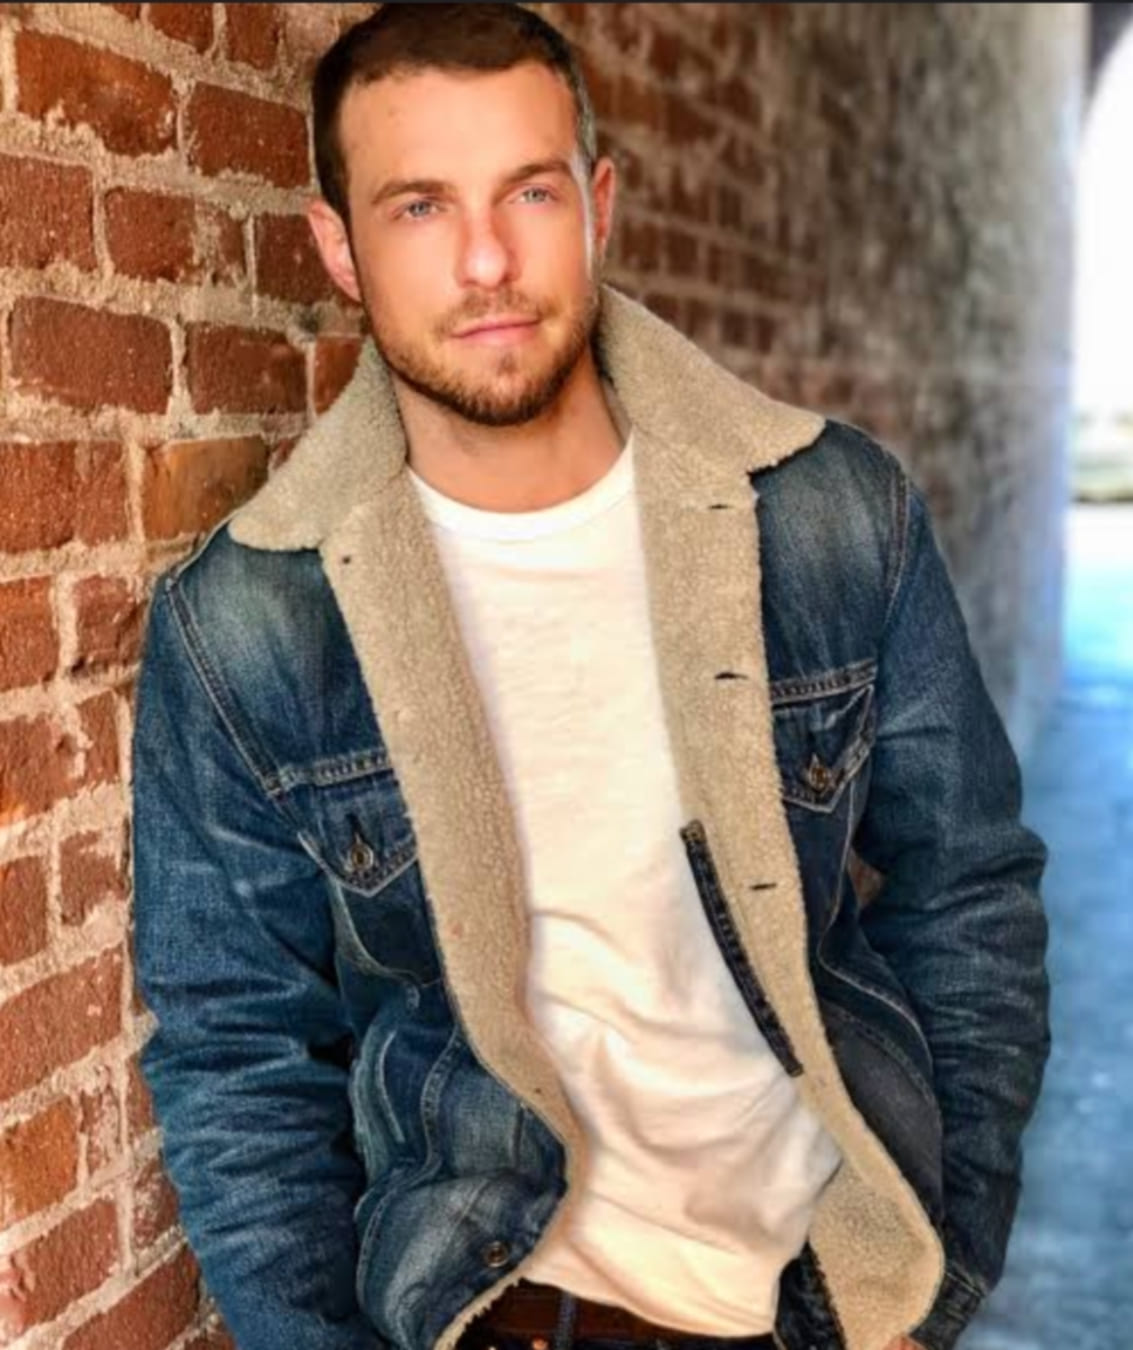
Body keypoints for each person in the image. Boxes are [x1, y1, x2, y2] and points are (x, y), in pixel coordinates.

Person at [130, 7, 1050, 1350]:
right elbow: (235, 1054)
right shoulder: (250, 623)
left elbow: (967, 889)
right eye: (420, 207)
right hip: (495, 1313)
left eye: (530, 192)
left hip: (816, 1304)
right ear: (337, 248)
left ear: (598, 206)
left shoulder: (828, 515)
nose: (487, 260)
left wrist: (928, 1288)